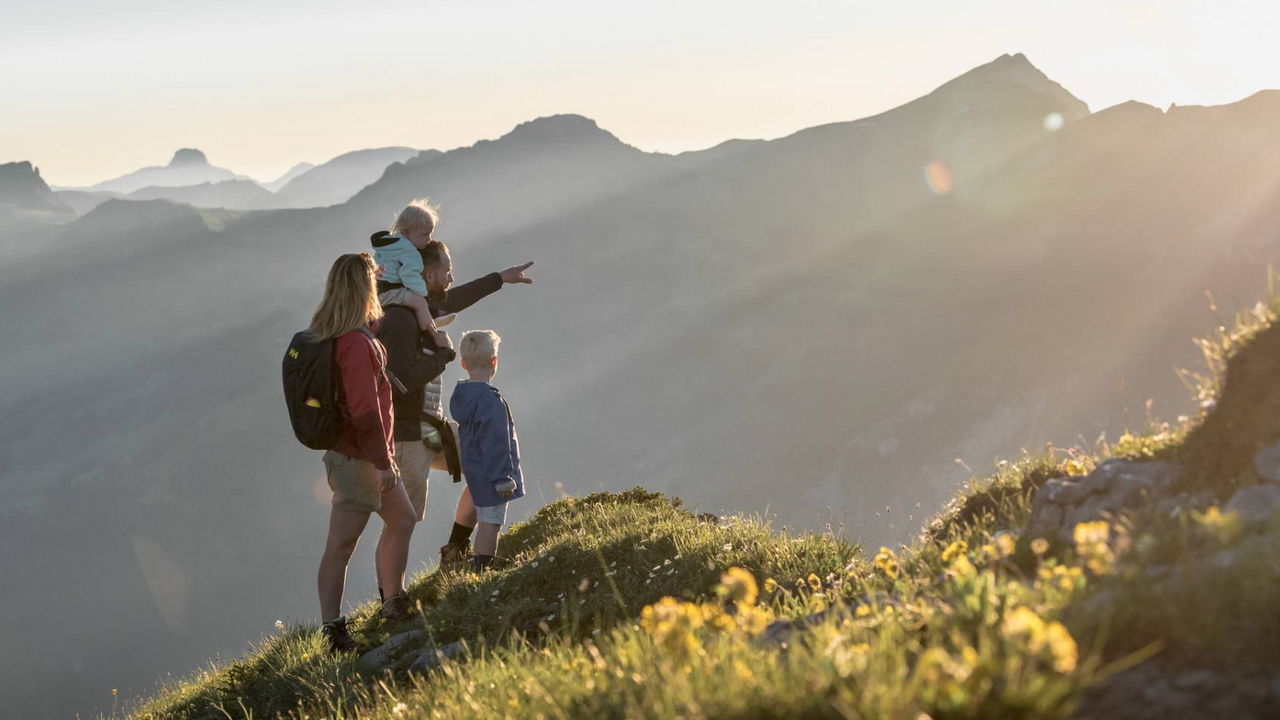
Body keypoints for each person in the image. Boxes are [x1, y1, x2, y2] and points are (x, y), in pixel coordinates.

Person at [376, 239, 533, 579]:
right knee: (401, 522)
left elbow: (457, 297)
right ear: (427, 275)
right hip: (407, 436)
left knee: (481, 464)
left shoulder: (421, 308)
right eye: (446, 270)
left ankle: (456, 548)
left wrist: (500, 278)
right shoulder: (401, 319)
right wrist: (442, 355)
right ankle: (392, 598)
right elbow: (401, 381)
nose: (451, 276)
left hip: (431, 428)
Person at [310, 253, 417, 654]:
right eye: (372, 281)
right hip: (359, 460)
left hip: (365, 456)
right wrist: (383, 462)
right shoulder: (354, 344)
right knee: (341, 546)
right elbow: (364, 411)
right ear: (362, 289)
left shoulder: (350, 335)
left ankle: (393, 602)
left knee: (403, 519)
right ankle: (334, 632)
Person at [450, 330, 523, 571]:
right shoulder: (491, 401)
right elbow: (496, 443)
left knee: (484, 516)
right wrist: (504, 478)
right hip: (492, 475)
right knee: (490, 524)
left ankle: (459, 555)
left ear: (464, 364)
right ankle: (482, 571)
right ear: (494, 361)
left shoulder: (463, 396)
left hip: (475, 468)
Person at [371, 198, 448, 348]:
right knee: (420, 303)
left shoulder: (390, 244)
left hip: (376, 291)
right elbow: (409, 276)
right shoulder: (409, 252)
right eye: (425, 235)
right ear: (407, 232)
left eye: (430, 234)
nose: (429, 239)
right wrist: (423, 294)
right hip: (389, 291)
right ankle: (429, 332)